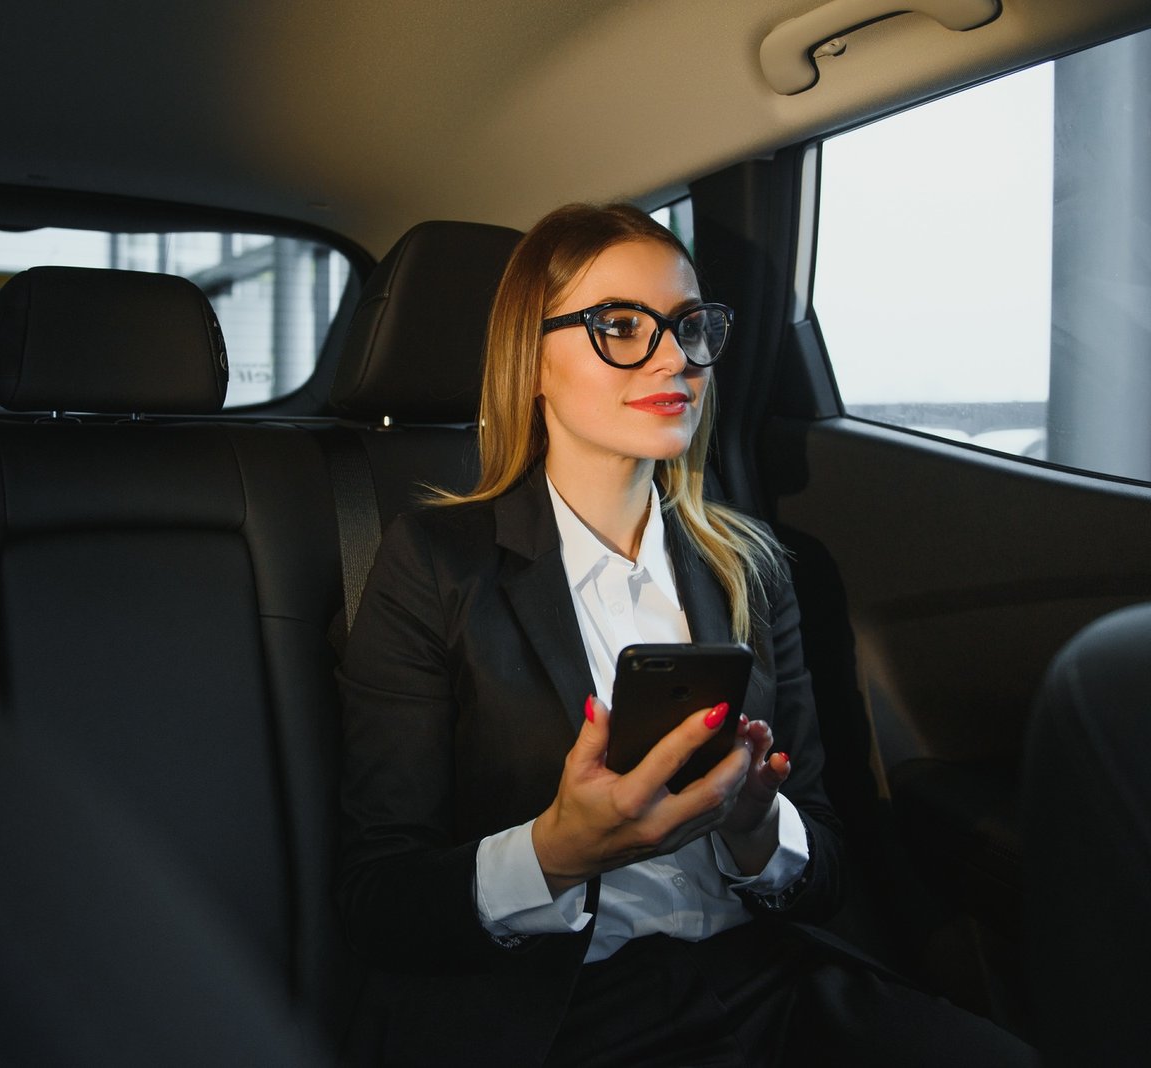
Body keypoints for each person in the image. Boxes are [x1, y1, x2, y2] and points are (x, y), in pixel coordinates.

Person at [335, 202, 1036, 1067]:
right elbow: (379, 898)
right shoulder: (436, 564)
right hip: (565, 1011)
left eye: (690, 325)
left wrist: (755, 830)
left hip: (766, 982)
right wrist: (555, 853)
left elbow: (825, 860)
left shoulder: (753, 567)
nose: (676, 358)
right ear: (533, 363)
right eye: (620, 326)